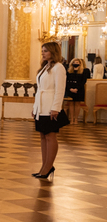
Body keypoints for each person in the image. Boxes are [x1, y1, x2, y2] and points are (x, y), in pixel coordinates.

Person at [33, 42, 67, 180]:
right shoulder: (45, 67)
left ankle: (48, 167)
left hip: (50, 106)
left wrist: (55, 108)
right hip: (41, 107)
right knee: (42, 136)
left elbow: (60, 90)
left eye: (45, 51)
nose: (43, 53)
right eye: (42, 50)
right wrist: (35, 108)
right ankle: (44, 166)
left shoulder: (59, 67)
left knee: (50, 136)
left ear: (53, 52)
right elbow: (39, 89)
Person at [64, 57, 91, 123]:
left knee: (77, 104)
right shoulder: (69, 71)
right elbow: (66, 81)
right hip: (70, 89)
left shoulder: (83, 71)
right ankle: (71, 119)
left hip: (79, 89)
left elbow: (83, 81)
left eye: (77, 63)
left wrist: (77, 88)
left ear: (80, 64)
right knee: (71, 104)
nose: (75, 64)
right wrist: (70, 88)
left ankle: (76, 119)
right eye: (74, 62)